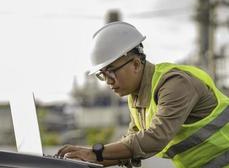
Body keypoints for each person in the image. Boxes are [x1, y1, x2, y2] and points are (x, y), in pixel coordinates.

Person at [57, 21, 229, 168]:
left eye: (111, 71)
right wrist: (79, 160)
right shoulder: (137, 98)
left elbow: (154, 138)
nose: (108, 81)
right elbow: (129, 148)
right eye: (102, 75)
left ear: (136, 64)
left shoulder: (175, 84)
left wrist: (95, 153)